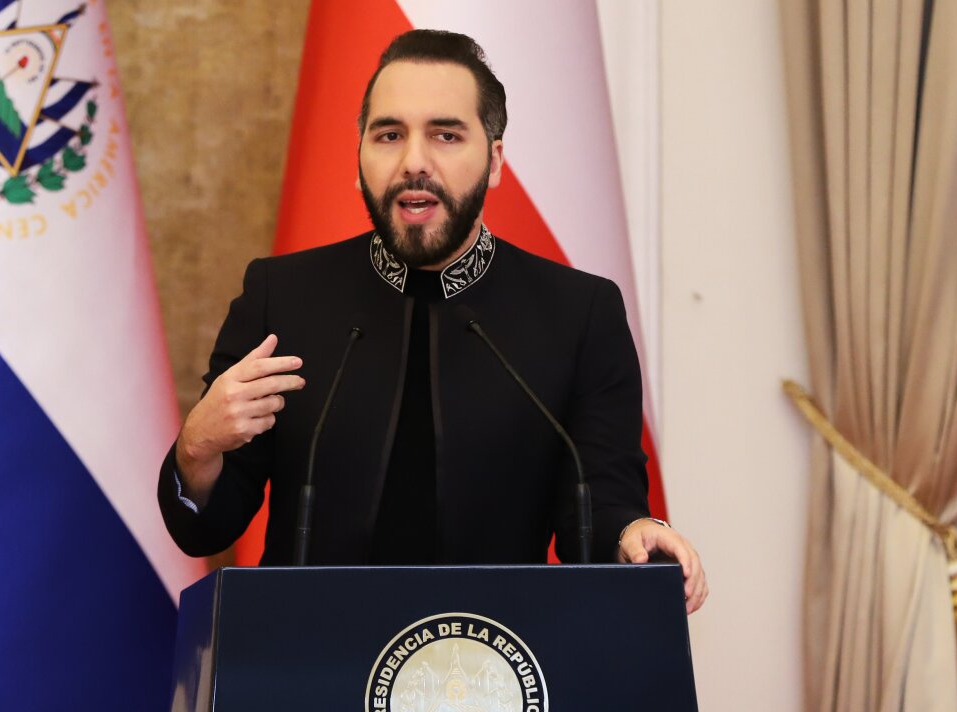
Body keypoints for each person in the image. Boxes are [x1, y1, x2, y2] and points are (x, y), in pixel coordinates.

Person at [157, 29, 707, 614]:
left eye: (446, 135)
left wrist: (633, 534)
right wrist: (196, 448)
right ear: (359, 158)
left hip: (498, 653)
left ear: (494, 161)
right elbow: (207, 527)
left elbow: (601, 501)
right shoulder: (282, 297)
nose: (414, 162)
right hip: (313, 651)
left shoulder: (578, 313)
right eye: (389, 135)